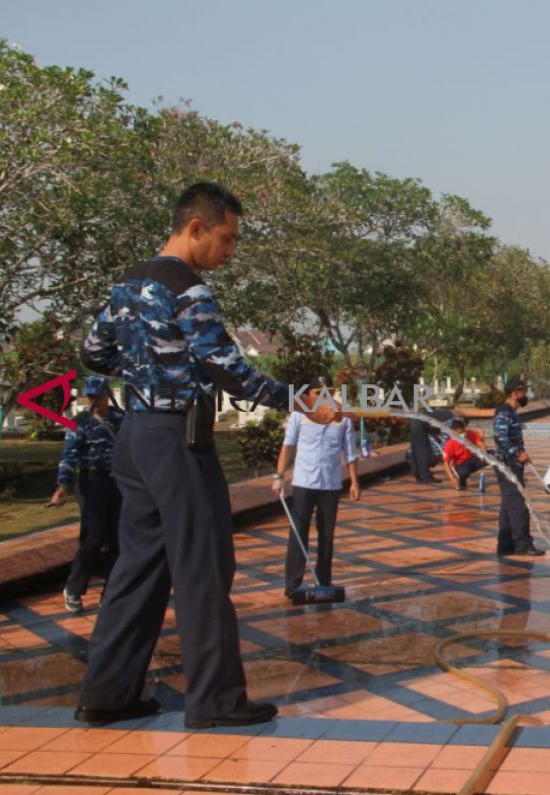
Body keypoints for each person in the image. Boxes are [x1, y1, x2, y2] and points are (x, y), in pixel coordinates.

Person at [76, 182, 335, 729]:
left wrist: (149, 371)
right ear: (196, 228)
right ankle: (216, 701)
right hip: (177, 443)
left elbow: (93, 352)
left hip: (134, 440)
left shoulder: (125, 286)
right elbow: (228, 369)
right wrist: (299, 401)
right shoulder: (189, 291)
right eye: (227, 238)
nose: (230, 251)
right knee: (203, 568)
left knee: (137, 567)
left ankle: (107, 694)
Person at [273, 385, 360, 598]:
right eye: (317, 392)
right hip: (303, 482)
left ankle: (323, 580)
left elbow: (349, 452)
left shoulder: (342, 417)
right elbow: (288, 446)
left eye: (328, 391)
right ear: (309, 394)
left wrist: (355, 482)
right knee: (298, 532)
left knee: (327, 534)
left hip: (330, 483)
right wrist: (279, 476)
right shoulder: (298, 415)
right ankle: (293, 583)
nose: (323, 396)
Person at [48, 376, 123, 613]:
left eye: (97, 396)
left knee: (118, 539)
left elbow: (132, 449)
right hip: (90, 482)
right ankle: (74, 588)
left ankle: (110, 592)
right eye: (90, 396)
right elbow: (69, 455)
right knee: (94, 536)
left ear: (107, 395)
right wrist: (62, 486)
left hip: (117, 484)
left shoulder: (121, 419)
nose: (93, 400)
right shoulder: (79, 422)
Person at [492, 379, 545, 556]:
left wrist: (520, 455)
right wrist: (517, 453)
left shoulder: (512, 413)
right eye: (523, 391)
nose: (525, 395)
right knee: (518, 505)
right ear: (515, 393)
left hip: (512, 463)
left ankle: (505, 545)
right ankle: (523, 545)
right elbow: (501, 437)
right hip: (507, 464)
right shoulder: (504, 413)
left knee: (509, 504)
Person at [409, 407, 456, 483]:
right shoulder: (451, 421)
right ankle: (426, 477)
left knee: (415, 449)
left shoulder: (446, 415)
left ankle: (417, 474)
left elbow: (433, 429)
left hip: (415, 421)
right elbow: (446, 442)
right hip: (420, 424)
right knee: (424, 451)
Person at [443, 417, 486, 490]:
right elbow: (446, 463)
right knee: (464, 472)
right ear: (454, 432)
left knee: (494, 455)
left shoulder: (470, 433)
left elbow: (480, 444)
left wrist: (484, 453)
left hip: (473, 459)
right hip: (461, 463)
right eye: (460, 433)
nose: (463, 434)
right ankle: (462, 484)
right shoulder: (450, 444)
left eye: (463, 432)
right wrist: (451, 477)